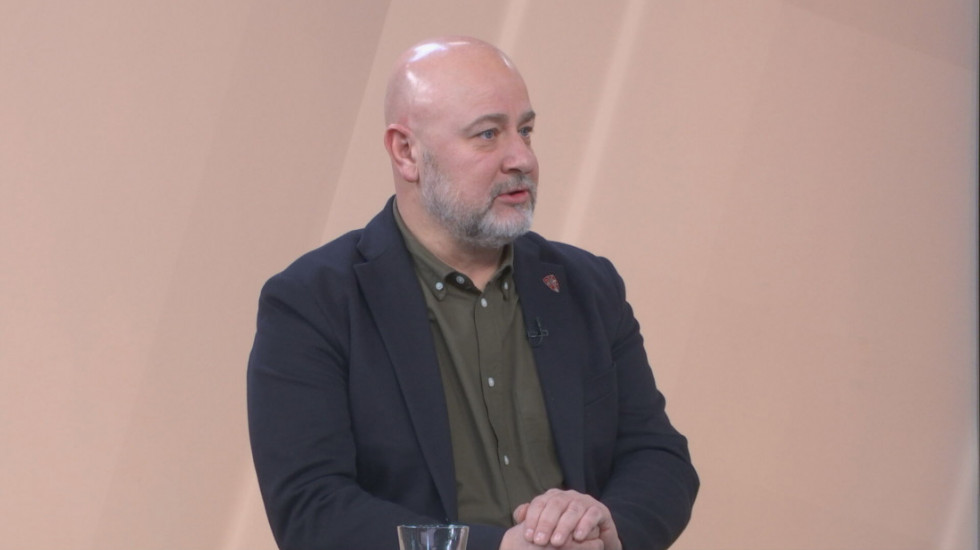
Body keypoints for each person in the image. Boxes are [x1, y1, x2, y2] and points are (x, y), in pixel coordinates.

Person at [247, 36, 698, 550]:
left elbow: (658, 456)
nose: (522, 158)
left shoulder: (587, 286)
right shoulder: (312, 302)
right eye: (488, 134)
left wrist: (603, 527)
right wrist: (497, 548)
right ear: (406, 152)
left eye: (525, 130)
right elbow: (312, 510)